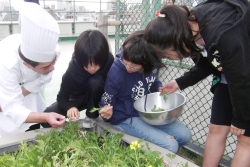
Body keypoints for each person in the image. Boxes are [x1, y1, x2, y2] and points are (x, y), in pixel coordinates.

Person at [144, 1, 250, 166]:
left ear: (174, 43)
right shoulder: (189, 29)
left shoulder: (223, 32)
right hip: (232, 74)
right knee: (217, 129)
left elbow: (242, 78)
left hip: (245, 75)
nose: (174, 59)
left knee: (245, 139)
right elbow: (207, 63)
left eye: (167, 55)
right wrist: (179, 82)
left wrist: (241, 118)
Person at [99, 30, 191, 153]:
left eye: (133, 66)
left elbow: (152, 79)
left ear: (146, 62)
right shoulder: (117, 72)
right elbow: (106, 102)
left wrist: (158, 87)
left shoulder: (151, 62)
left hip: (144, 112)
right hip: (125, 117)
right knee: (171, 145)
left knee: (185, 135)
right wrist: (106, 113)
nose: (128, 68)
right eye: (126, 62)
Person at [0, 2, 66, 137]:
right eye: (46, 66)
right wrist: (45, 117)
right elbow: (12, 107)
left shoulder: (53, 50)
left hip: (31, 98)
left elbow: (44, 78)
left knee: (34, 133)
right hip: (6, 99)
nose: (52, 68)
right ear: (27, 65)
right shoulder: (6, 62)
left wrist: (22, 91)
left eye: (52, 62)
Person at [41, 30, 114, 129]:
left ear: (103, 58)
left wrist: (106, 106)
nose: (92, 68)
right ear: (80, 60)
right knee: (47, 116)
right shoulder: (72, 71)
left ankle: (92, 117)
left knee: (96, 82)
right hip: (77, 98)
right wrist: (70, 107)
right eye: (86, 65)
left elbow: (114, 87)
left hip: (98, 97)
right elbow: (62, 97)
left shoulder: (109, 61)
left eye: (96, 64)